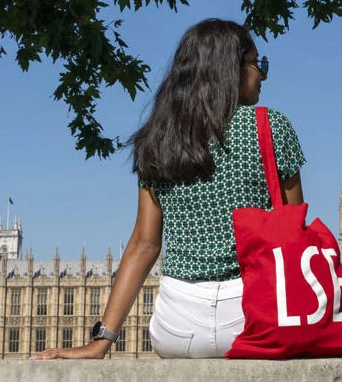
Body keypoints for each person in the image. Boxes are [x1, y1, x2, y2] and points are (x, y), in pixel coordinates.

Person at [31, 19, 305, 359]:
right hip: (255, 315)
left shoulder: (157, 139)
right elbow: (294, 231)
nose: (262, 75)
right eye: (257, 64)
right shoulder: (271, 125)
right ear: (230, 69)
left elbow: (144, 244)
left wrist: (101, 341)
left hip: (179, 326)